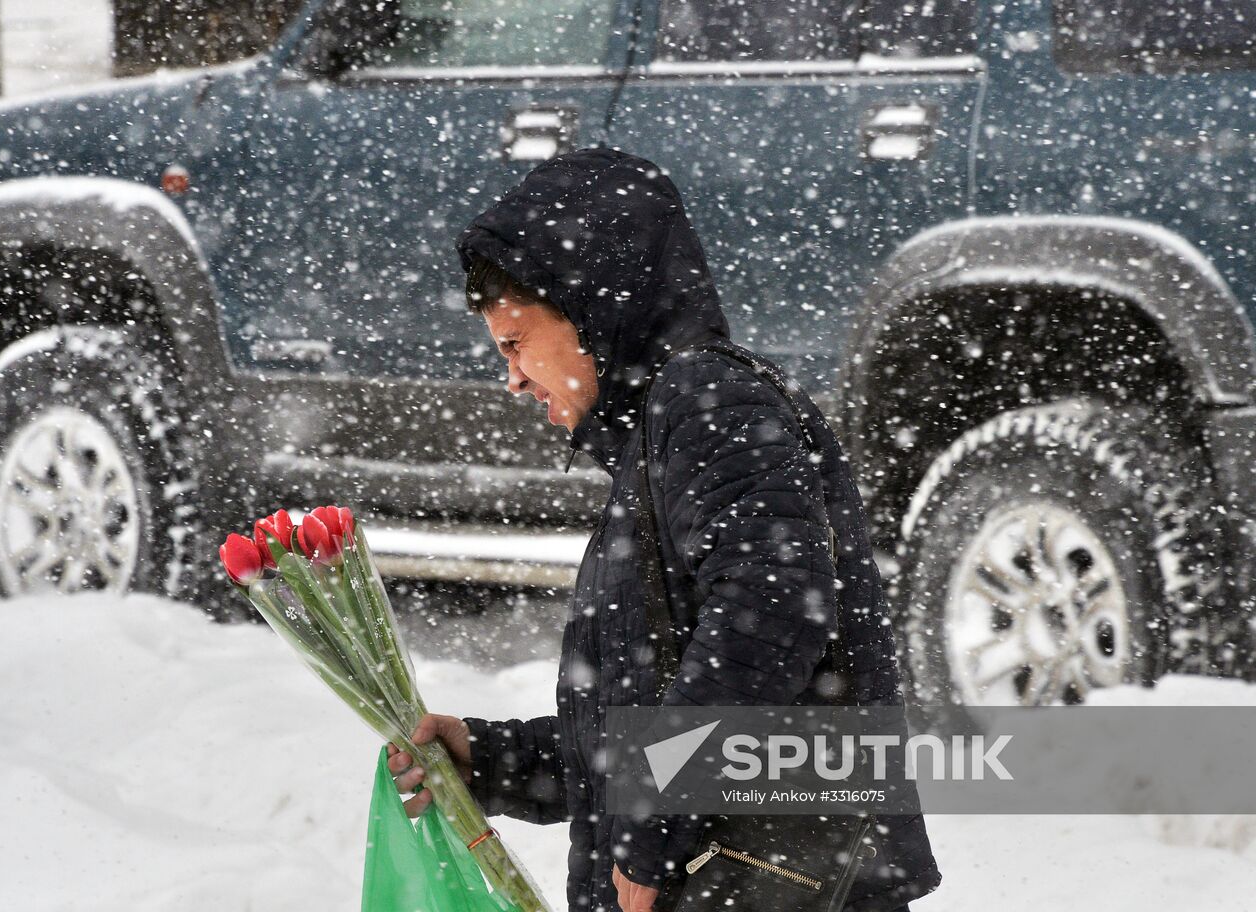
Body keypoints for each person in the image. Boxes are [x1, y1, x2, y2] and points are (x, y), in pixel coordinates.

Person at [385, 148, 941, 912]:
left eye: (516, 343)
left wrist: (653, 829)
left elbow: (771, 616)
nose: (511, 377)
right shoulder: (662, 442)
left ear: (588, 306)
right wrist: (494, 759)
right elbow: (653, 714)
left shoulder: (707, 400)